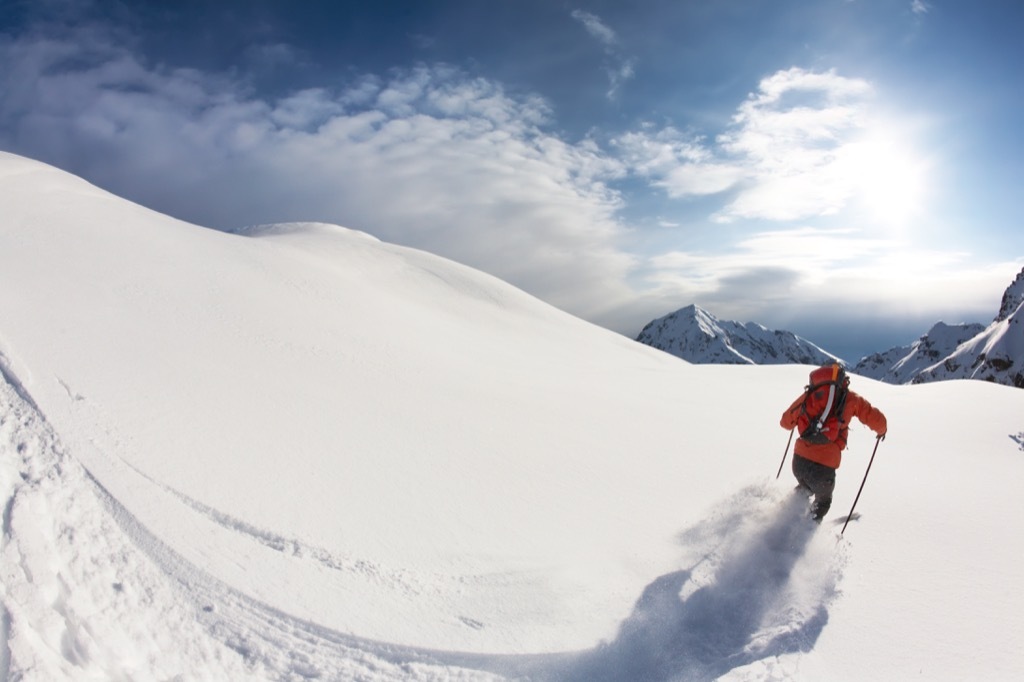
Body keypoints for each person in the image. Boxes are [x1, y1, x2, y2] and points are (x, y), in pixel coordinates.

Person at [780, 363, 887, 521]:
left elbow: (785, 422)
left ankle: (783, 517)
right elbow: (873, 417)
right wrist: (882, 430)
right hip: (824, 469)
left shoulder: (811, 394)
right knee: (823, 502)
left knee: (804, 487)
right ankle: (803, 533)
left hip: (799, 462)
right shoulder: (850, 398)